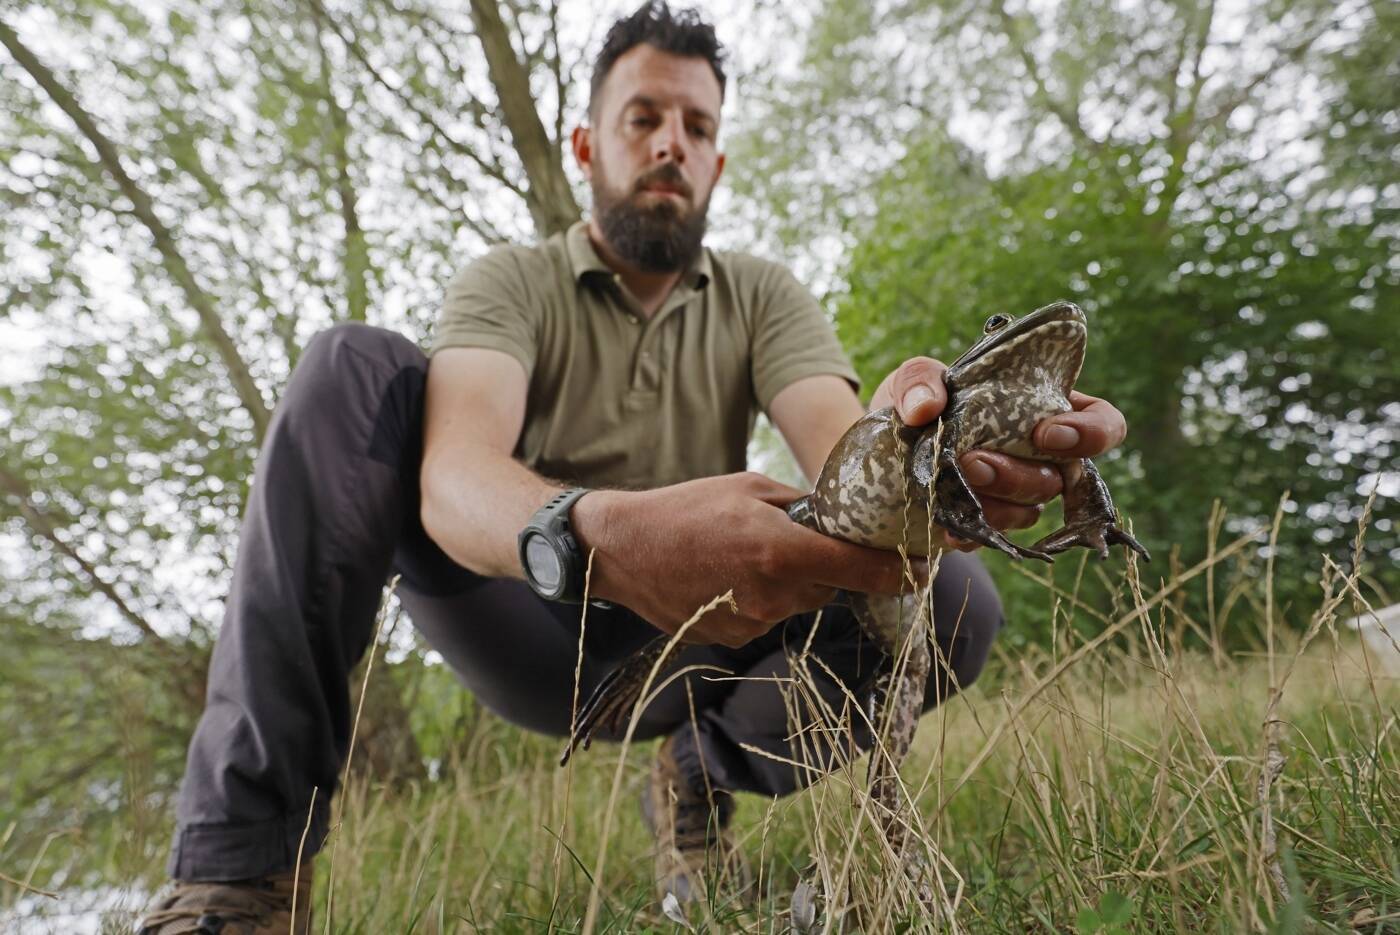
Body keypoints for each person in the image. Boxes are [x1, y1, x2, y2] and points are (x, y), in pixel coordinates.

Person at [137, 3, 1131, 932]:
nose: (670, 144)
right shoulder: (510, 281)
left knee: (954, 596)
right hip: (536, 617)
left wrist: (927, 449)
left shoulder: (761, 295)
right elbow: (452, 472)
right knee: (350, 367)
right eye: (643, 117)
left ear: (716, 160)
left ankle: (697, 773)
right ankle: (237, 878)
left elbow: (838, 445)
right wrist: (596, 535)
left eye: (696, 127)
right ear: (585, 145)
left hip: (714, 621)